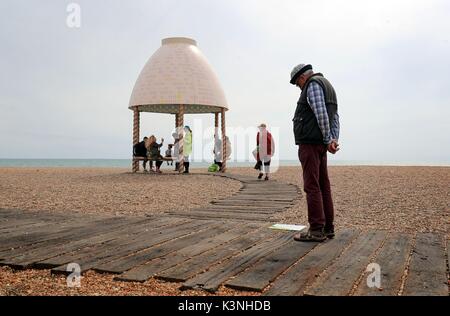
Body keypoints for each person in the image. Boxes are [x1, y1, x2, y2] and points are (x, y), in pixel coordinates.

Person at [290, 63, 340, 242]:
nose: (299, 87)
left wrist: (328, 140)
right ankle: (328, 228)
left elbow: (321, 115)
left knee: (312, 186)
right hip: (320, 144)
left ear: (302, 78)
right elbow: (335, 117)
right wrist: (333, 139)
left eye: (298, 84)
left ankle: (316, 229)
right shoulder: (328, 86)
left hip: (310, 144)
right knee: (323, 185)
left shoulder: (312, 85)